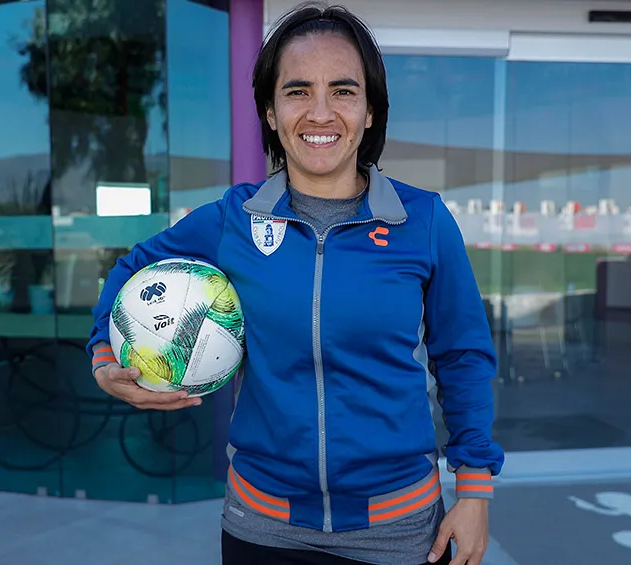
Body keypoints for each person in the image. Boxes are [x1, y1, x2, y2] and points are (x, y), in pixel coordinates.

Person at [86, 2, 504, 563]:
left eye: (344, 91)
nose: (321, 112)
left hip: (400, 532)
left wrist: (474, 489)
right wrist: (104, 356)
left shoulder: (423, 221)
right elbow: (129, 269)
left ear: (371, 112)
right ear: (270, 110)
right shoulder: (233, 219)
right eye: (298, 90)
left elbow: (463, 356)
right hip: (262, 528)